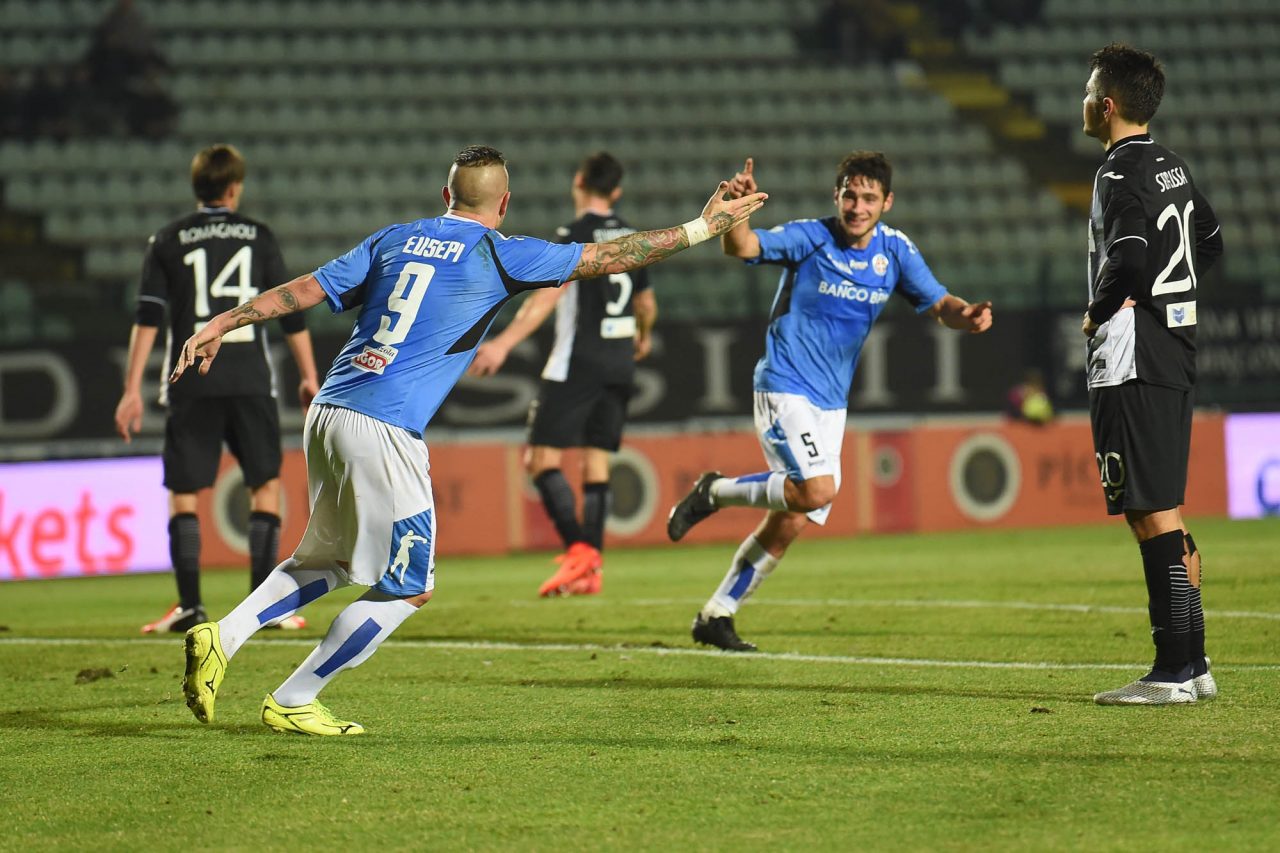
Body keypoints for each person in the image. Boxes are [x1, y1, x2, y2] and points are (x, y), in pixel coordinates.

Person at [171, 145, 767, 735]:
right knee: (410, 585)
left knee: (329, 561)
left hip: (329, 411)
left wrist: (223, 321)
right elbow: (615, 255)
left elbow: (303, 289)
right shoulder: (500, 253)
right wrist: (703, 226)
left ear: (444, 197)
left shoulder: (394, 238)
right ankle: (296, 696)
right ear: (504, 203)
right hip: (385, 426)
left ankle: (221, 636)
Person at [666, 152, 993, 651]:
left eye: (867, 197)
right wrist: (738, 211)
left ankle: (718, 613)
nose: (856, 206)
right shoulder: (811, 237)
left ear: (887, 201)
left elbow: (939, 303)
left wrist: (966, 315)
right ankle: (714, 492)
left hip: (831, 402)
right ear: (835, 195)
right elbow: (743, 247)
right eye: (848, 194)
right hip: (784, 382)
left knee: (793, 516)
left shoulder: (895, 251)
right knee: (819, 490)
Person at [114, 143, 319, 634]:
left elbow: (148, 317)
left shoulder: (167, 238)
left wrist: (130, 389)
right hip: (250, 379)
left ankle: (190, 605)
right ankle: (260, 608)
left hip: (191, 376)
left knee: (184, 492)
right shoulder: (259, 235)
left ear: (198, 187)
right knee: (264, 485)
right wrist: (309, 374)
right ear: (234, 188)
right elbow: (288, 309)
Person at [1078, 44, 1223, 705]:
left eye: (1088, 91)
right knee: (1166, 504)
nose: (1082, 100)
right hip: (1175, 346)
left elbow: (1131, 254)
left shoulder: (1117, 173)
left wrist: (1098, 310)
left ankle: (1172, 669)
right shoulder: (1173, 166)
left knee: (1148, 509)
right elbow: (1212, 243)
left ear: (1106, 106)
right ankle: (1193, 663)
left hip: (1131, 353)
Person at [468, 152, 658, 597]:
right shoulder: (634, 235)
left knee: (540, 461)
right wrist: (643, 337)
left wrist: (503, 343)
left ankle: (579, 551)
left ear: (578, 182)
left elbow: (547, 300)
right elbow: (646, 305)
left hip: (578, 361)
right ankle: (590, 570)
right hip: (620, 362)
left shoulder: (573, 237)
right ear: (617, 192)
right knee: (596, 462)